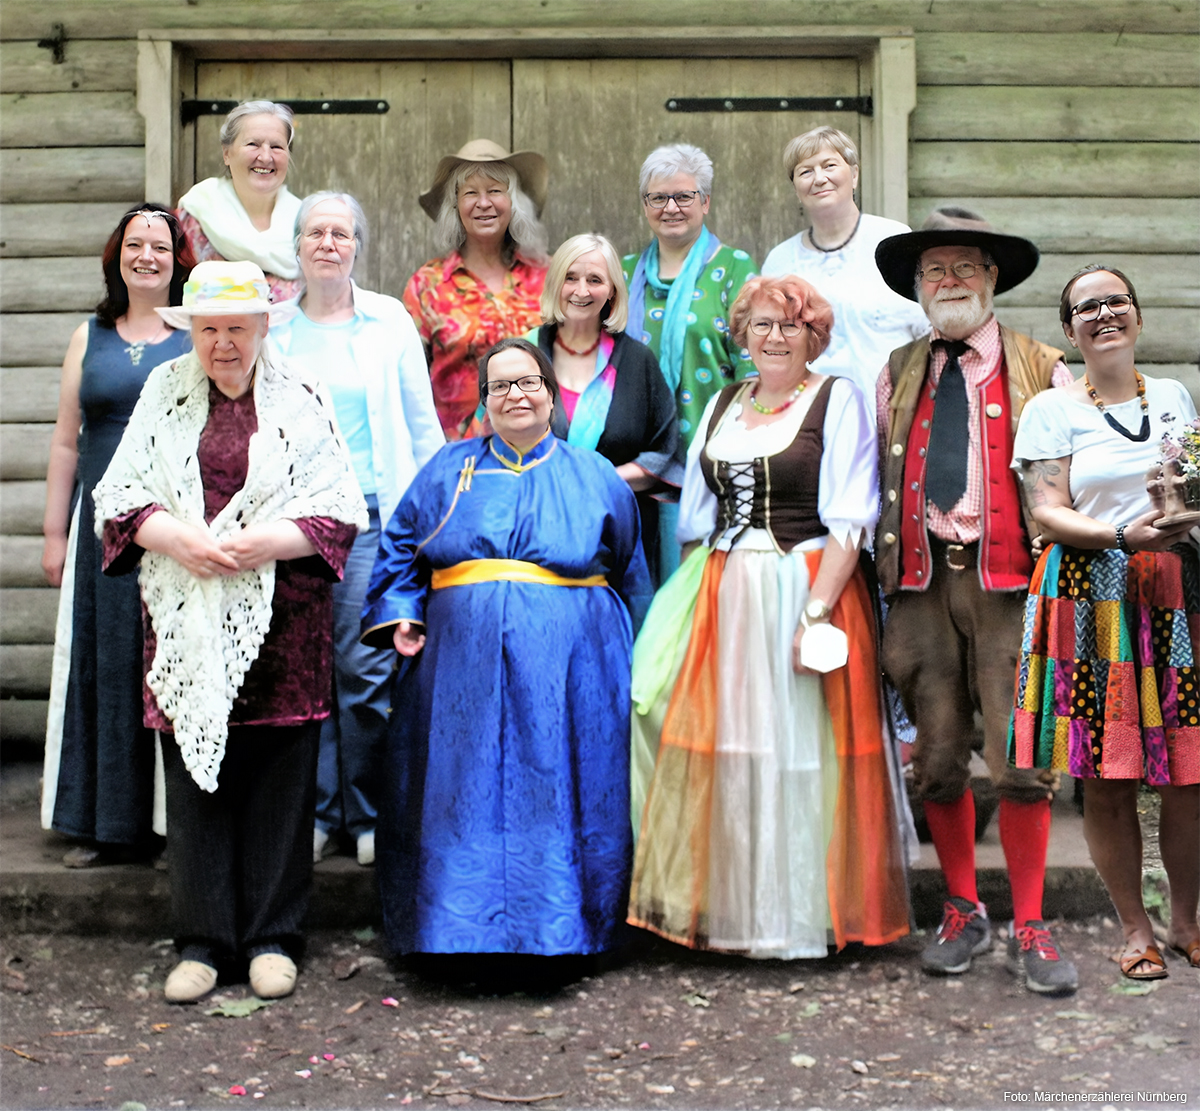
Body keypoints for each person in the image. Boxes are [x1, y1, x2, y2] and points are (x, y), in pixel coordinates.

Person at [93, 260, 365, 1003]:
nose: (222, 343)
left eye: (236, 328)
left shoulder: (302, 393)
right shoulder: (163, 391)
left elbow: (339, 505)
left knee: (279, 777)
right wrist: (173, 536)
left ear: (264, 326)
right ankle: (203, 941)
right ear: (191, 331)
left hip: (286, 624)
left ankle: (275, 936)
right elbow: (119, 497)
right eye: (208, 328)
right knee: (194, 783)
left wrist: (269, 540)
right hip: (187, 618)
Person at [627, 276, 909, 958]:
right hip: (724, 588)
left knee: (800, 749)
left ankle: (798, 917)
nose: (774, 337)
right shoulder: (725, 403)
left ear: (814, 334)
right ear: (741, 336)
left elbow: (851, 525)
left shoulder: (835, 399)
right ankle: (730, 911)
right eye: (760, 325)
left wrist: (814, 614)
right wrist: (688, 604)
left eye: (789, 325)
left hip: (805, 583)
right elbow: (695, 518)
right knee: (707, 735)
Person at [361, 338, 652, 963]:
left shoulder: (593, 474)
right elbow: (399, 554)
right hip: (456, 670)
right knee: (460, 788)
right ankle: (453, 936)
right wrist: (402, 617)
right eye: (501, 387)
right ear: (485, 402)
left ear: (550, 394)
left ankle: (565, 933)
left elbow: (630, 572)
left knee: (559, 783)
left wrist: (639, 662)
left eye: (529, 384)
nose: (516, 396)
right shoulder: (446, 471)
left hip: (573, 673)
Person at [873, 208, 1080, 995]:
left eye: (964, 267)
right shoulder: (897, 370)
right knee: (936, 757)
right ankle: (962, 907)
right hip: (923, 583)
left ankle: (1030, 920)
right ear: (919, 287)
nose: (949, 281)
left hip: (1011, 586)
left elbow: (1067, 479)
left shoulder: (1042, 366)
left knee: (1023, 761)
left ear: (992, 277)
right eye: (935, 271)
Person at [1012, 265, 1200, 979]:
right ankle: (1134, 927)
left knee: (1189, 770)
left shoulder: (1177, 397)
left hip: (1175, 593)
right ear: (1070, 330)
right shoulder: (1051, 410)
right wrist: (1124, 537)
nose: (1103, 314)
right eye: (1085, 308)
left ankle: (1187, 920)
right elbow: (1046, 510)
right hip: (1091, 596)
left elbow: (1191, 482)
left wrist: (1184, 515)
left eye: (1116, 301)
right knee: (1108, 772)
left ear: (1138, 316)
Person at [272, 192, 444, 868]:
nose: (327, 243)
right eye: (315, 232)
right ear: (299, 244)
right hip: (294, 521)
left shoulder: (388, 320)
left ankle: (369, 811)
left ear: (356, 245)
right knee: (304, 667)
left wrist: (428, 518)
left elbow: (422, 423)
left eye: (340, 232)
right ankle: (321, 812)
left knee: (364, 666)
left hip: (371, 516)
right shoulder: (275, 327)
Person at [41, 204, 195, 868]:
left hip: (170, 528)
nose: (147, 256)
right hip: (98, 529)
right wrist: (53, 532)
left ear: (178, 259)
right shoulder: (89, 336)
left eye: (160, 245)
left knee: (162, 668)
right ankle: (98, 822)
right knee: (101, 666)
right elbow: (64, 442)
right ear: (117, 256)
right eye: (136, 244)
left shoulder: (193, 336)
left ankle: (169, 827)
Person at [623, 143, 758, 581]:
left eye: (683, 196)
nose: (671, 208)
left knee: (694, 596)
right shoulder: (622, 274)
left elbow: (752, 369)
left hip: (709, 467)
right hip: (630, 468)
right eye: (658, 198)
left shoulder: (734, 269)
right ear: (645, 205)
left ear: (705, 202)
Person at [528, 233, 682, 581]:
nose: (581, 290)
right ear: (555, 282)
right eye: (571, 277)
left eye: (595, 279)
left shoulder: (638, 362)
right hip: (533, 534)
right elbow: (491, 444)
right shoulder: (523, 355)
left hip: (620, 539)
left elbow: (666, 455)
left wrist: (597, 480)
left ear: (612, 290)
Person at [762, 126, 928, 400]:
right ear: (796, 188)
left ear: (854, 175)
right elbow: (771, 347)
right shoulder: (780, 261)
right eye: (805, 171)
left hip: (895, 413)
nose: (819, 178)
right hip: (812, 418)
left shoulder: (894, 240)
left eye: (829, 165)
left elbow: (930, 330)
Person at [403, 140, 550, 440]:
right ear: (455, 205)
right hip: (456, 454)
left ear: (514, 202)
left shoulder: (548, 276)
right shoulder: (427, 285)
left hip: (542, 449)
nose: (484, 203)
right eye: (471, 192)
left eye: (495, 190)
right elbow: (407, 379)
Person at [176, 100, 302, 303]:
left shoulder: (307, 222)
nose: (266, 157)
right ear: (227, 153)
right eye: (253, 144)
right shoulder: (194, 214)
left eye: (277, 146)